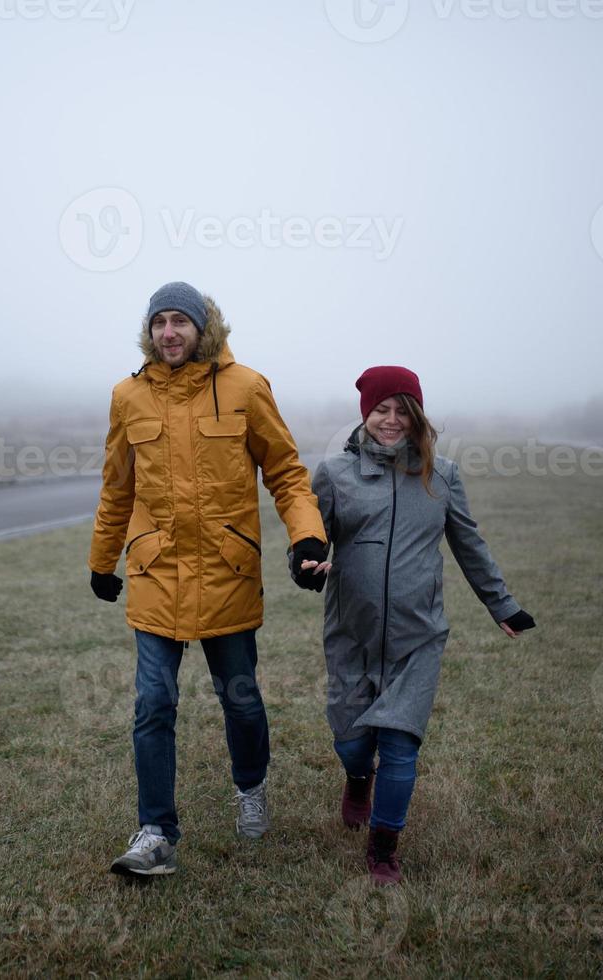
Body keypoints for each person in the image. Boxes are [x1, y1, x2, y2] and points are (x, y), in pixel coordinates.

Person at [89, 281, 328, 878]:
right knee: (152, 704)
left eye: (180, 322)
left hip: (227, 572)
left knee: (240, 700)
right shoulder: (128, 396)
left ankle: (250, 788)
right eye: (159, 322)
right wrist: (101, 561)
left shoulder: (246, 387)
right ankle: (155, 832)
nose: (168, 332)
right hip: (155, 572)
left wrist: (307, 535)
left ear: (204, 328)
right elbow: (118, 487)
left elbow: (286, 472)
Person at [303, 365, 536, 885]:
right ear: (365, 415)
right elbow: (310, 540)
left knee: (402, 744)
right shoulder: (335, 475)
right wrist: (305, 567)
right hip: (351, 633)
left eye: (402, 410)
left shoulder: (443, 475)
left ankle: (384, 847)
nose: (391, 420)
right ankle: (357, 778)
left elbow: (468, 544)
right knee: (352, 739)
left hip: (419, 635)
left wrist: (502, 605)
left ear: (417, 415)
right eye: (382, 410)